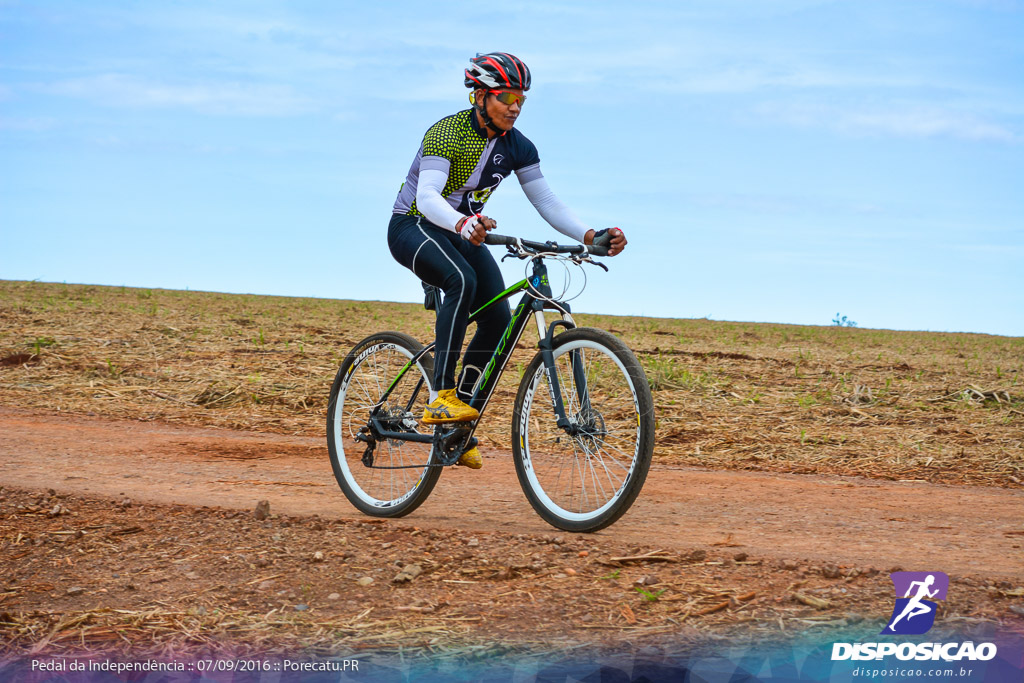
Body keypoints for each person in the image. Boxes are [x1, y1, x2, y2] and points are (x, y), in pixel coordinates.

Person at [387, 52, 626, 469]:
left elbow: (546, 200)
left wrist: (590, 237)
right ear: (480, 95)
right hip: (414, 227)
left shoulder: (519, 146)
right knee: (462, 280)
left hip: (464, 231)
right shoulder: (447, 133)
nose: (515, 106)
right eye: (507, 97)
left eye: (521, 99)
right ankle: (442, 397)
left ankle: (457, 424)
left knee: (498, 319)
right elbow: (426, 199)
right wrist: (462, 223)